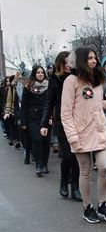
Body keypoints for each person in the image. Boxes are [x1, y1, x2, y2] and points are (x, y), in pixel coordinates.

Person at [61, 47, 106, 224]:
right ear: (81, 60)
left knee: (104, 167)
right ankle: (87, 207)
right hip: (80, 134)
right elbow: (65, 113)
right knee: (85, 171)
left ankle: (103, 204)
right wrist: (72, 136)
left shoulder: (97, 80)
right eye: (89, 58)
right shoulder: (71, 81)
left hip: (99, 131)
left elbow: (98, 104)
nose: (94, 60)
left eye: (94, 57)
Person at [41, 51, 81, 201]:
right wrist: (44, 123)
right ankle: (64, 180)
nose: (68, 65)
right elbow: (49, 102)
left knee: (77, 155)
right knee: (69, 155)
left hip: (78, 121)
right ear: (60, 64)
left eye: (70, 62)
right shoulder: (55, 80)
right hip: (62, 122)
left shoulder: (78, 78)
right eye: (65, 63)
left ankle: (75, 187)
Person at [20, 65, 50, 176]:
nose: (40, 74)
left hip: (46, 118)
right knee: (36, 140)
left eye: (42, 72)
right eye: (38, 72)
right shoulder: (28, 87)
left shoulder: (49, 86)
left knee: (45, 141)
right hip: (32, 118)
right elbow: (24, 105)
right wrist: (23, 122)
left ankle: (45, 164)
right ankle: (39, 165)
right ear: (34, 74)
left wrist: (51, 117)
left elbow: (52, 103)